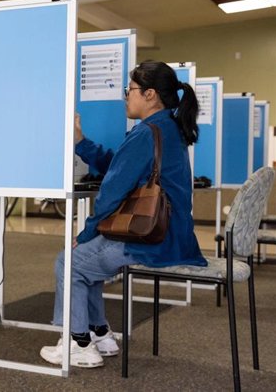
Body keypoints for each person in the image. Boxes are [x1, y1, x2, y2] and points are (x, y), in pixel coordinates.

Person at [40, 60, 208, 368]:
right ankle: (100, 334)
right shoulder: (168, 128)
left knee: (70, 262)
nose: (125, 97)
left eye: (129, 90)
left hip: (151, 239)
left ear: (150, 95)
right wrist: (81, 143)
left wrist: (87, 232)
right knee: (85, 261)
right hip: (172, 235)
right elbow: (119, 164)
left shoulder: (148, 132)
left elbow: (111, 192)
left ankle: (78, 344)